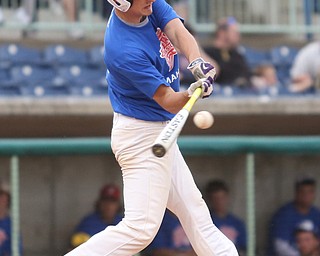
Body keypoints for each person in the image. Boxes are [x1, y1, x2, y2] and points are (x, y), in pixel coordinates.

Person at [65, 0, 238, 255]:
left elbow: (179, 32)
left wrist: (196, 63)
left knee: (195, 213)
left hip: (159, 129)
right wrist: (192, 92)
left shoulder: (149, 5)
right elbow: (168, 101)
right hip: (140, 136)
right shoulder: (122, 49)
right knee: (141, 228)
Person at [269, 177, 320, 256]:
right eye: (302, 192)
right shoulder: (284, 215)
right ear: (296, 193)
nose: (306, 196)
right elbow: (280, 247)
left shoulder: (316, 214)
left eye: (310, 192)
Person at [69, 184, 123, 249]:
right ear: (99, 203)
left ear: (118, 205)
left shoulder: (123, 222)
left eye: (113, 202)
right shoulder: (88, 223)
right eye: (105, 201)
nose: (109, 206)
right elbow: (74, 248)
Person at [203, 16, 251, 87]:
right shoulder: (207, 52)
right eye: (234, 32)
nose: (238, 36)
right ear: (222, 33)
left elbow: (247, 74)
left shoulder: (236, 54)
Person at [205, 180, 247, 254]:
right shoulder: (206, 222)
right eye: (216, 198)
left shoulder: (237, 223)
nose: (220, 202)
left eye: (222, 198)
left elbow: (246, 248)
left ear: (228, 198)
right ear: (210, 200)